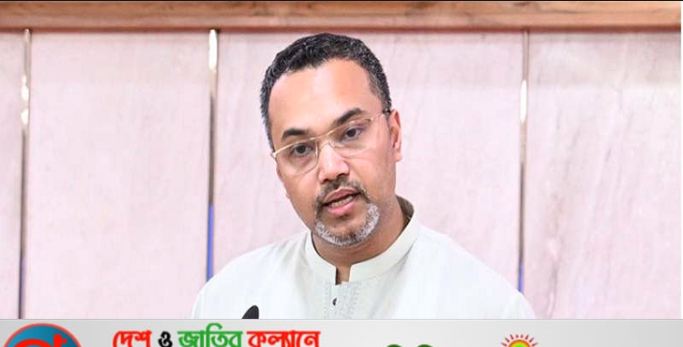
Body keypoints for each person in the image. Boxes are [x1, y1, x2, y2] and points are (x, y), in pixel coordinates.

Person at [192, 33, 535, 319]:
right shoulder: (227, 305)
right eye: (301, 149)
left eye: (351, 133)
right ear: (281, 174)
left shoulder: (488, 314)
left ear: (394, 136)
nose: (331, 168)